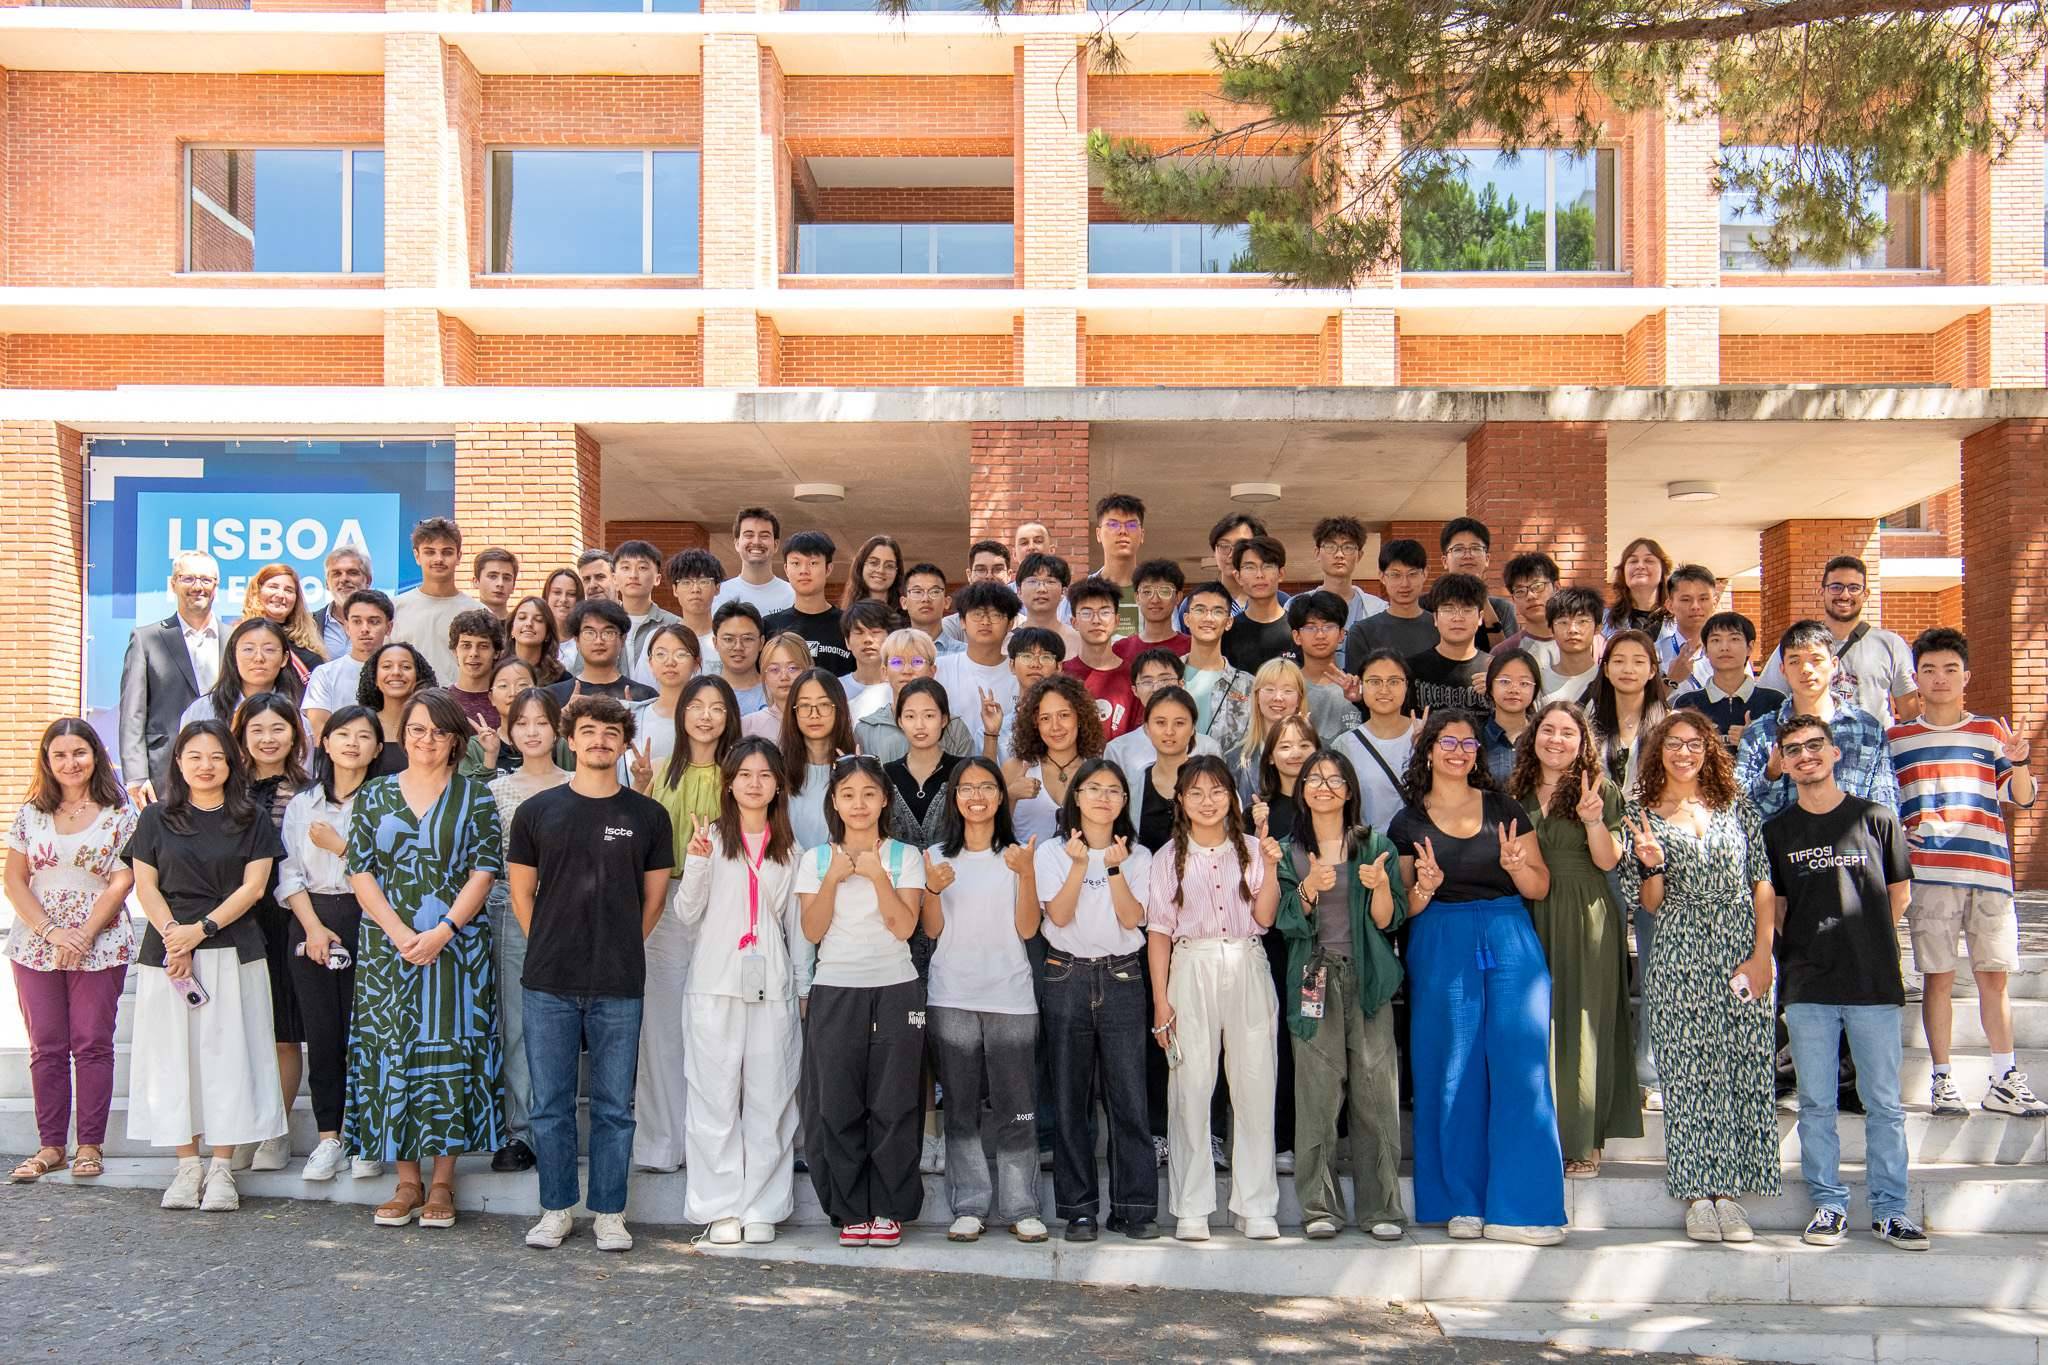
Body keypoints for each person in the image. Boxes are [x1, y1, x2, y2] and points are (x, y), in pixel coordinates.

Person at [1390, 709, 1564, 1245]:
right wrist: (1423, 887)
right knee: (1451, 1070)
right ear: (1428, 749)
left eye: (1468, 742)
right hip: (1441, 941)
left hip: (1510, 936)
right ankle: (1459, 1201)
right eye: (1448, 741)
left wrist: (1517, 867)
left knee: (1521, 1067)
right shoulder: (1407, 822)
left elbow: (1539, 886)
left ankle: (1526, 1207)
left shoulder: (1505, 807)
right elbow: (1402, 909)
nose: (1459, 750)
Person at [509, 694, 674, 1255]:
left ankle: (609, 1211)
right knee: (550, 1104)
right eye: (588, 731)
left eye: (610, 731)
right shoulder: (537, 812)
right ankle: (555, 1209)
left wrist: (620, 943)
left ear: (624, 742)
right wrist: (553, 944)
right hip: (548, 981)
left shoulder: (648, 816)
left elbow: (652, 901)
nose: (599, 740)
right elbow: (521, 894)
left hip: (619, 981)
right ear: (570, 739)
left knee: (613, 1106)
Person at [1763, 713, 1928, 1251]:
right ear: (1783, 763)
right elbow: (1780, 907)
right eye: (1794, 749)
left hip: (1872, 981)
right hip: (1808, 984)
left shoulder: (1876, 818)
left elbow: (1898, 895)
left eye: (1815, 746)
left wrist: (1861, 942)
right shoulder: (1778, 830)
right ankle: (1829, 1205)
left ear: (1835, 754)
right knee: (1815, 1103)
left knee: (1883, 1102)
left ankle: (1890, 1210)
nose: (1806, 756)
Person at [343, 688, 504, 1230]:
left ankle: (442, 1181)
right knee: (394, 1049)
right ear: (402, 735)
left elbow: (485, 870)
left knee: (451, 1052)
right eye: (417, 729)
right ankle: (405, 1179)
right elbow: (359, 870)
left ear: (456, 739)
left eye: (438, 731)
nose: (427, 739)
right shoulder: (374, 795)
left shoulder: (475, 796)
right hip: (388, 948)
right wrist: (397, 931)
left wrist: (444, 930)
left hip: (457, 948)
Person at [1617, 710, 1779, 1244]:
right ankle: (1696, 1192)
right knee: (1687, 1072)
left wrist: (1762, 955)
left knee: (1740, 1065)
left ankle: (1730, 1193)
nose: (1683, 753)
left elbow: (1761, 883)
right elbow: (1650, 903)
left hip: (1739, 943)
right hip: (1680, 945)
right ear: (1657, 751)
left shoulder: (1737, 809)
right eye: (1673, 744)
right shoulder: (1640, 815)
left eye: (1694, 743)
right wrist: (1653, 865)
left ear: (1709, 750)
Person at [124, 720, 287, 1212]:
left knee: (230, 1056)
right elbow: (145, 885)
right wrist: (176, 936)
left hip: (232, 948)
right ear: (178, 762)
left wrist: (203, 930)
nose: (206, 765)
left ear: (230, 762)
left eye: (216, 756)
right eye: (194, 756)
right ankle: (186, 1165)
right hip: (169, 955)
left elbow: (254, 888)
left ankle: (221, 1168)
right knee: (174, 1058)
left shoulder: (251, 816)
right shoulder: (155, 818)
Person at [1889, 627, 2045, 1117]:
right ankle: (1942, 1079)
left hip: (1990, 873)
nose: (1940, 679)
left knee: (1993, 976)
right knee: (1937, 977)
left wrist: (2019, 761)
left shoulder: (1991, 733)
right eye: (1929, 670)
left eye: (1950, 670)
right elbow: (1885, 806)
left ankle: (2003, 1077)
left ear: (1967, 677)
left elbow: (2020, 797)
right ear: (1915, 678)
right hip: (1930, 875)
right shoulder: (1897, 740)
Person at [675, 737, 807, 1246]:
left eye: (765, 775)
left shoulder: (790, 849)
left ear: (778, 785)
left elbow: (796, 927)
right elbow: (687, 914)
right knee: (713, 1098)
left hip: (770, 985)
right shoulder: (708, 838)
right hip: (713, 983)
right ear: (729, 782)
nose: (755, 783)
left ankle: (763, 1206)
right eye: (745, 774)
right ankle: (720, 1206)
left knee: (770, 1096)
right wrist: (698, 861)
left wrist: (801, 987)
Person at [1146, 755, 1282, 1241]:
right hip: (1191, 964)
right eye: (1197, 793)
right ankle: (1191, 1206)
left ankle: (1255, 1204)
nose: (1208, 802)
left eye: (1218, 792)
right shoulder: (1167, 858)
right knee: (1191, 1087)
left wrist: (1268, 864)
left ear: (1233, 798)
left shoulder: (1252, 849)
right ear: (1180, 800)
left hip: (1246, 959)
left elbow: (1265, 918)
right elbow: (1158, 933)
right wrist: (1161, 1001)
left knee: (1255, 1083)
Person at [1504, 700, 1640, 1176]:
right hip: (1527, 912)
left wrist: (1592, 820)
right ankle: (1537, 1132)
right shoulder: (1513, 792)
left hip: (1585, 911)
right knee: (1533, 1025)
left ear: (1583, 743)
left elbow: (1608, 861)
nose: (1556, 740)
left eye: (1568, 733)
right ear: (1533, 737)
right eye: (1548, 731)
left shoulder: (1600, 791)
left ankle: (1583, 1140)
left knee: (1582, 1023)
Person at [1274, 747, 1406, 1239]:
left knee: (1374, 1092)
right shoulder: (1291, 850)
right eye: (1314, 778)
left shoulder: (1375, 846)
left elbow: (1389, 921)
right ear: (1301, 791)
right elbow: (1285, 922)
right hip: (1313, 978)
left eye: (1334, 779)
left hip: (1367, 979)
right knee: (1317, 1093)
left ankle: (1382, 1210)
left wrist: (1381, 888)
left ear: (1349, 790)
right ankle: (1320, 1208)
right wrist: (1308, 887)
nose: (1324, 786)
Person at [798, 756, 929, 1248]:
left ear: (885, 800)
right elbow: (812, 931)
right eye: (848, 794)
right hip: (835, 988)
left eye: (869, 793)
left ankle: (890, 1209)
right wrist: (833, 878)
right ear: (834, 801)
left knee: (894, 1102)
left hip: (896, 987)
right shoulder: (814, 860)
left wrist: (876, 876)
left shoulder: (904, 857)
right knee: (837, 1102)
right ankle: (851, 1208)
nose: (859, 803)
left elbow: (904, 928)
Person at [5, 719, 137, 1184]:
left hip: (99, 941)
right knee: (47, 1046)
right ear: (47, 760)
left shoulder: (120, 812)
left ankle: (90, 1146)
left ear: (95, 755)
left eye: (79, 752)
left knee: (92, 1043)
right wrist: (51, 931)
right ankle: (50, 1146)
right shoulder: (30, 815)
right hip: (36, 941)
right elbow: (14, 879)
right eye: (59, 755)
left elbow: (124, 878)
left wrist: (82, 932)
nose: (70, 763)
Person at [921, 757, 1047, 1243]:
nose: (976, 796)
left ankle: (1022, 1205)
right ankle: (969, 1204)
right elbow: (931, 930)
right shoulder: (935, 855)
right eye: (966, 788)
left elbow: (1029, 929)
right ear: (954, 797)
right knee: (961, 1106)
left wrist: (1028, 875)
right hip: (952, 994)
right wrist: (932, 889)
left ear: (1001, 796)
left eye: (987, 787)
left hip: (1011, 996)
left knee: (1018, 1106)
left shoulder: (1018, 855)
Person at [1035, 758, 1159, 1241]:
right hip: (1066, 973)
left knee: (1129, 1097)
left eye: (1114, 790)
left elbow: (1133, 920)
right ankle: (1078, 1209)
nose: (1103, 797)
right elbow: (1059, 917)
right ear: (1077, 798)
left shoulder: (1140, 856)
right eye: (1093, 789)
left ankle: (1134, 1207)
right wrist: (1079, 863)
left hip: (1123, 976)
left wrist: (1112, 870)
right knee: (1070, 1099)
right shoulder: (1051, 852)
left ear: (1124, 801)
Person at [276, 705, 385, 1184]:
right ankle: (329, 1138)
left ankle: (370, 1138)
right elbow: (288, 872)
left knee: (370, 1032)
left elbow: (394, 868)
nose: (353, 744)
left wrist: (342, 845)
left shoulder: (387, 801)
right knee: (323, 1034)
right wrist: (313, 928)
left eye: (364, 736)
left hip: (373, 916)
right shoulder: (304, 804)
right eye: (343, 734)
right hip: (313, 916)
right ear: (325, 742)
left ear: (379, 748)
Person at [642, 674, 741, 1172]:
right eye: (696, 705)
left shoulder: (740, 773)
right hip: (667, 899)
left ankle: (715, 1143)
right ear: (681, 715)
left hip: (725, 902)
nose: (706, 715)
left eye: (717, 707)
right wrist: (639, 790)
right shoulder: (660, 771)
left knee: (718, 1024)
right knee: (662, 1023)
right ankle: (663, 1143)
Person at [482, 688, 572, 1175]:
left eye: (542, 721)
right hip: (510, 910)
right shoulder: (495, 791)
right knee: (517, 1023)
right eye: (523, 722)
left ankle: (559, 1125)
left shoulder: (581, 783)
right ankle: (521, 1131)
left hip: (574, 913)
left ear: (557, 729)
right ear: (508, 731)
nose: (533, 731)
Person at [233, 691, 311, 1172]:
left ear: (295, 735)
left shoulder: (308, 791)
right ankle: (242, 1126)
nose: (268, 738)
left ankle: (276, 1132)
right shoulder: (225, 787)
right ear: (242, 736)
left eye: (278, 728)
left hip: (286, 915)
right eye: (257, 729)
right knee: (240, 1032)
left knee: (284, 1032)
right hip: (234, 918)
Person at [1734, 620, 1900, 821]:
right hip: (1783, 850)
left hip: (1854, 847)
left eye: (1816, 659)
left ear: (1834, 665)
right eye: (1794, 661)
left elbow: (1885, 802)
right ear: (1783, 669)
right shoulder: (1761, 733)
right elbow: (1741, 812)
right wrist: (1771, 773)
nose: (1806, 669)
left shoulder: (1867, 729)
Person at [1758, 555, 1920, 727]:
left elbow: (1910, 713)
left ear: (1865, 594)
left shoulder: (1891, 645)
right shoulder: (1795, 644)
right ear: (1822, 592)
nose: (1844, 595)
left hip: (1871, 749)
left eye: (1854, 588)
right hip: (1810, 749)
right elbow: (1769, 704)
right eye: (1836, 587)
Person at [1005, 674, 1105, 850]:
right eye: (1045, 718)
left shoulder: (1099, 771)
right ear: (1035, 723)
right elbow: (992, 835)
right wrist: (1011, 796)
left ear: (1080, 717)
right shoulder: (1015, 768)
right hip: (1023, 872)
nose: (1055, 727)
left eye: (1064, 715)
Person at [1105, 651, 1224, 793]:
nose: (1156, 688)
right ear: (1135, 690)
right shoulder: (1118, 750)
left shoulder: (1207, 748)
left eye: (1165, 680)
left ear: (1181, 684)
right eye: (1147, 681)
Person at [855, 628, 977, 763]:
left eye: (917, 662)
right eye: (897, 662)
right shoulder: (867, 730)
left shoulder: (953, 727)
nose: (907, 670)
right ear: (884, 672)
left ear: (932, 671)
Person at [390, 517, 482, 684]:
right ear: (417, 556)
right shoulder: (395, 608)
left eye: (447, 552)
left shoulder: (478, 612)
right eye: (430, 552)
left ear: (459, 556)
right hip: (408, 706)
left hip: (458, 707)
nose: (438, 559)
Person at [1334, 651, 1418, 833]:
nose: (1384, 690)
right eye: (1374, 681)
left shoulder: (1428, 734)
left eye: (1394, 681)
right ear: (1361, 685)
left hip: (1422, 845)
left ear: (1407, 686)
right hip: (1369, 849)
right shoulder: (1345, 744)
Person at [1671, 611, 1784, 746]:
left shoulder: (1774, 702)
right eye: (1716, 640)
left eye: (1734, 639)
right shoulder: (1687, 703)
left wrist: (1757, 741)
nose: (1725, 647)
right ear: (1705, 650)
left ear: (1750, 647)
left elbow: (1786, 754)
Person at [884, 678, 967, 849]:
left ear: (944, 719)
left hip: (952, 870)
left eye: (929, 716)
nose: (919, 725)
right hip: (900, 872)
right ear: (899, 721)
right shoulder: (886, 774)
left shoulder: (962, 770)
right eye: (910, 716)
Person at [179, 617, 303, 730]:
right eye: (248, 649)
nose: (258, 658)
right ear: (234, 655)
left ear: (284, 658)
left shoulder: (296, 718)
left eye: (269, 650)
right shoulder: (202, 710)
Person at [782, 668, 857, 850]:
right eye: (805, 706)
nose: (814, 714)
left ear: (838, 709)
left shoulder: (855, 769)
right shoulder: (778, 770)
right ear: (794, 712)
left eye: (824, 705)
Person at [763, 531, 854, 678]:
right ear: (786, 569)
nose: (804, 571)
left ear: (828, 568)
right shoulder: (770, 626)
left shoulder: (848, 625)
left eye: (813, 563)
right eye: (796, 563)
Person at [304, 589, 395, 734]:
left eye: (374, 621)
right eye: (357, 621)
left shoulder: (400, 674)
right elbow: (320, 731)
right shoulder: (325, 674)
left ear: (389, 627)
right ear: (347, 627)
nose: (365, 629)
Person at [1180, 581, 1256, 750]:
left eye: (1217, 611)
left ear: (1228, 622)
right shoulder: (1168, 676)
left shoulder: (1247, 685)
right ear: (1186, 619)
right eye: (1199, 610)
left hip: (1227, 775)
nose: (1208, 618)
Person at [936, 580, 1023, 727]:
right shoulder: (939, 669)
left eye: (995, 615)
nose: (985, 622)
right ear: (962, 621)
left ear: (1010, 624)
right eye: (977, 614)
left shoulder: (1021, 673)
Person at [1589, 629, 1667, 790]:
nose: (1628, 670)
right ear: (1606, 670)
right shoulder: (1589, 726)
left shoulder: (1670, 724)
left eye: (1638, 662)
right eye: (1618, 661)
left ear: (1652, 670)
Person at [1226, 659, 1311, 805]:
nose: (1277, 697)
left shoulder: (1317, 755)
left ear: (1299, 699)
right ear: (1257, 696)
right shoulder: (1234, 760)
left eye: (1288, 691)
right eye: (1269, 689)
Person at [1064, 578, 1140, 739]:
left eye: (1105, 612)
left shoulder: (1134, 676)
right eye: (1086, 613)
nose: (1096, 620)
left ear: (1117, 621)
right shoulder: (1062, 674)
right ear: (1074, 622)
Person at [626, 623, 702, 786]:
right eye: (660, 654)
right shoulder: (634, 716)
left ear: (696, 663)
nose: (670, 662)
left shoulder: (707, 718)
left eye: (681, 654)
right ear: (651, 663)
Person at [1342, 538, 1435, 671]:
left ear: (1425, 573)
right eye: (1395, 575)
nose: (1405, 584)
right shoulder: (1363, 632)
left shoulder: (1441, 627)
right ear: (1382, 576)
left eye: (1412, 574)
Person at [1406, 573, 1491, 715]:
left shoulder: (1494, 670)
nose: (1457, 618)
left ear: (1480, 618)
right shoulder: (1410, 669)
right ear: (1435, 618)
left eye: (1467, 609)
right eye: (1448, 609)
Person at [547, 599, 656, 706]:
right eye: (589, 633)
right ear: (577, 640)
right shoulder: (552, 696)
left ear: (622, 640)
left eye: (608, 633)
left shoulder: (645, 697)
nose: (598, 641)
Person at [1289, 592, 1364, 743]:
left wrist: (1361, 700)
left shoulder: (1358, 689)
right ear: (1297, 636)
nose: (1320, 635)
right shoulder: (1288, 688)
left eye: (1328, 626)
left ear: (1342, 634)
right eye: (1310, 628)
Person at [355, 642, 436, 774]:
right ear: (374, 678)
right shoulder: (361, 724)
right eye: (387, 666)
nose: (396, 672)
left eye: (405, 667)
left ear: (418, 677)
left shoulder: (433, 726)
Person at [1221, 535, 1297, 675]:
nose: (1259, 575)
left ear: (1281, 574)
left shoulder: (1299, 629)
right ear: (1238, 577)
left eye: (1267, 566)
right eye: (1250, 567)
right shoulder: (1226, 633)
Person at [609, 540, 681, 686]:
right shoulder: (603, 623)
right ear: (614, 579)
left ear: (657, 578)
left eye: (642, 567)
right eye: (626, 567)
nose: (633, 575)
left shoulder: (674, 625)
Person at [1437, 519, 1518, 648]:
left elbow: (1509, 656)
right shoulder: (1428, 605)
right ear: (1444, 561)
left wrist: (1482, 598)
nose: (1468, 556)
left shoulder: (1503, 609)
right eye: (1458, 549)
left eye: (1475, 548)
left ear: (1487, 559)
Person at [242, 562, 326, 680]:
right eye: (273, 587)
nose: (281, 595)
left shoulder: (307, 638)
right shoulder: (242, 637)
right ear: (257, 591)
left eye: (289, 590)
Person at [461, 657, 537, 779]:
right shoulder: (476, 746)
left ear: (537, 691)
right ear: (491, 698)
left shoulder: (555, 744)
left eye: (522, 684)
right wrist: (490, 756)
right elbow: (468, 794)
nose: (513, 693)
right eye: (503, 686)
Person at [713, 507, 795, 616]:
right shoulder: (718, 595)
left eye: (764, 536)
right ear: (737, 543)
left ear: (776, 545)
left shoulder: (793, 594)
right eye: (749, 535)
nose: (756, 541)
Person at [1311, 516, 1388, 628]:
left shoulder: (1379, 609)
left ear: (1359, 556)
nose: (1339, 555)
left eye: (1348, 548)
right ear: (1317, 553)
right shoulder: (1295, 606)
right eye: (1330, 547)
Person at [741, 632, 816, 742]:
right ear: (764, 675)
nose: (784, 677)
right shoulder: (748, 725)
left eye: (793, 668)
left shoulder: (820, 720)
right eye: (774, 670)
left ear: (808, 670)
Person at [1657, 564, 1720, 694]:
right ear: (1670, 605)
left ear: (1715, 603)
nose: (1695, 606)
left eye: (1703, 599)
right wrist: (1671, 680)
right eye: (1686, 600)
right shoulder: (1654, 654)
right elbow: (1644, 708)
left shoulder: (1731, 651)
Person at [1481, 649, 1540, 783]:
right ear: (1490, 687)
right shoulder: (1475, 737)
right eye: (1505, 681)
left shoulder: (1543, 737)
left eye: (1524, 683)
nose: (1514, 689)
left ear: (1534, 690)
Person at [1540, 587, 1606, 703]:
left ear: (1598, 628)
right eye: (1563, 622)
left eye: (1582, 621)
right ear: (1551, 629)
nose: (1572, 630)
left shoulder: (1607, 679)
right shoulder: (1540, 682)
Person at [1114, 559, 1190, 658]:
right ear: (1137, 597)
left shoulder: (1192, 647)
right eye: (1147, 592)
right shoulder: (1121, 649)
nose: (1155, 600)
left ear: (1178, 597)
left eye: (1164, 591)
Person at [1491, 553, 1560, 661]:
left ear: (1556, 588)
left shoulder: (1589, 644)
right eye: (1520, 591)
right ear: (1513, 599)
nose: (1530, 596)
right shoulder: (1503, 653)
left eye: (1537, 586)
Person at [444, 609, 505, 730]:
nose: (474, 653)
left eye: (483, 646)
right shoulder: (441, 702)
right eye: (466, 646)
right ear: (455, 651)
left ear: (497, 652)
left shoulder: (507, 701)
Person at [1093, 493, 1147, 630]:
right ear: (1098, 534)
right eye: (1113, 524)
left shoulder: (1158, 593)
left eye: (1132, 525)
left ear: (1142, 535)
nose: (1123, 531)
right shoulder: (1082, 592)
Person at [1016, 553, 1084, 658]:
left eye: (1050, 582)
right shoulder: (1008, 642)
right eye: (1033, 581)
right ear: (1019, 591)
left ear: (1063, 592)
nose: (1041, 589)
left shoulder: (1081, 643)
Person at [310, 545, 371, 659]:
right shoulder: (310, 624)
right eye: (336, 574)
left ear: (367, 580)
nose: (344, 579)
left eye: (352, 572)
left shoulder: (386, 621)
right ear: (327, 584)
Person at [840, 600, 897, 723]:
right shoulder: (836, 689)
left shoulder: (901, 687)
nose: (867, 639)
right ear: (847, 642)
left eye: (875, 632)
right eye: (859, 633)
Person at [1606, 537, 1673, 639]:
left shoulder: (1679, 620)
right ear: (1623, 572)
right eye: (1633, 561)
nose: (1640, 566)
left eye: (1649, 560)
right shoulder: (1604, 621)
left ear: (1663, 571)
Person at [667, 549, 725, 664]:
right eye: (686, 582)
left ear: (717, 588)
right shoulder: (660, 640)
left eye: (703, 582)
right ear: (675, 590)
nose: (695, 589)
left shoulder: (728, 641)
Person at [840, 533, 905, 615]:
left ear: (897, 572)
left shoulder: (908, 620)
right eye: (874, 563)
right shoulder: (842, 618)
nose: (881, 570)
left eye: (889, 566)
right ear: (861, 566)